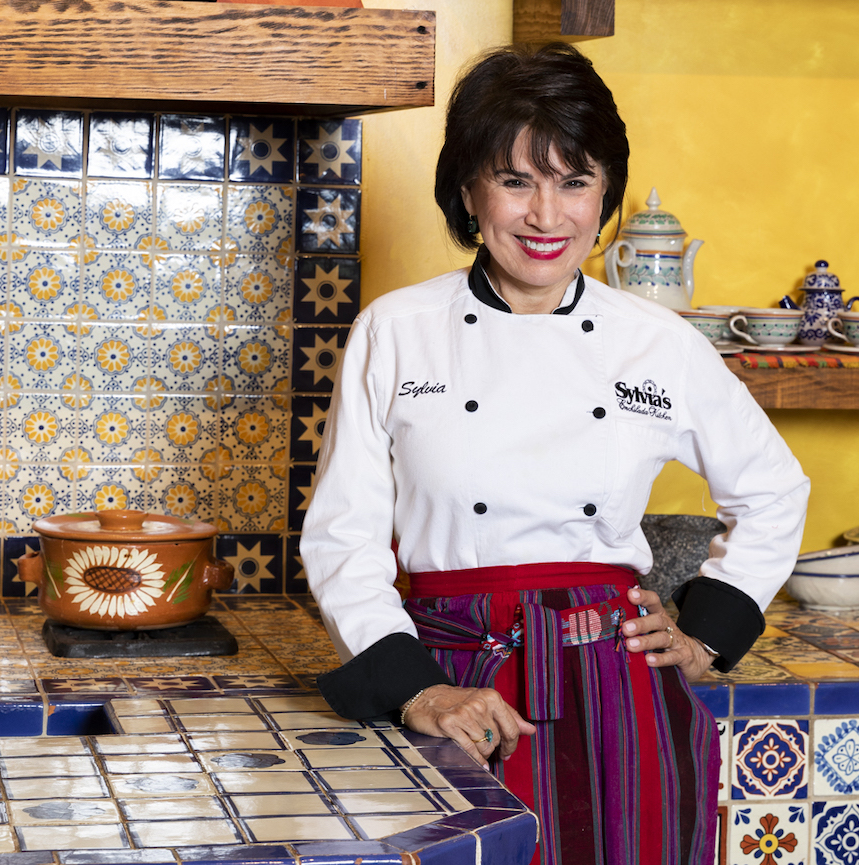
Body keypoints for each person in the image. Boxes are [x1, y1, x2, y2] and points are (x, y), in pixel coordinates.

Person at [300, 42, 809, 865]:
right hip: (454, 678)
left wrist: (706, 632)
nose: (547, 216)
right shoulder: (395, 331)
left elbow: (775, 488)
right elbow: (343, 536)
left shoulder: (657, 342)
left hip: (621, 682)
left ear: (605, 193)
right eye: (516, 180)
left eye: (575, 182)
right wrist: (418, 689)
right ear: (468, 189)